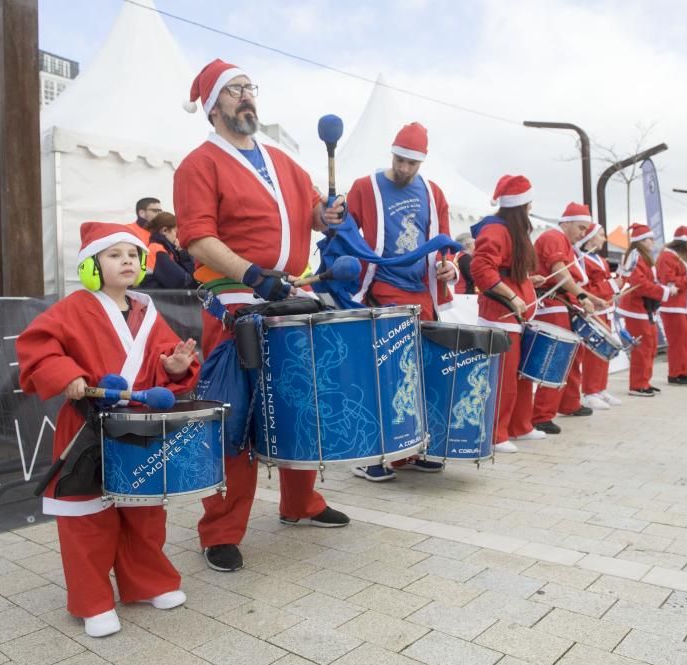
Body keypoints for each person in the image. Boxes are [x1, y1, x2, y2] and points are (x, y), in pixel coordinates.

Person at [174, 58, 349, 574]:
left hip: (288, 296)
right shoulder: (198, 164)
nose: (246, 96)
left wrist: (326, 216)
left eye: (249, 87)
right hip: (234, 302)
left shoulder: (283, 161)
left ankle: (301, 503)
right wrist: (252, 275)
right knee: (237, 417)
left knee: (300, 404)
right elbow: (199, 239)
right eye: (233, 90)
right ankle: (221, 530)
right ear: (213, 106)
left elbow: (313, 213)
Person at [16, 222, 200, 638]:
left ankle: (148, 583)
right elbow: (36, 346)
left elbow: (165, 361)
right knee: (87, 520)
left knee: (146, 515)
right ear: (91, 265)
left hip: (137, 427)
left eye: (133, 255)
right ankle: (93, 601)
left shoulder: (147, 311)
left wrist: (174, 367)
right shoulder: (73, 307)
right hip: (87, 426)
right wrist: (68, 375)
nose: (127, 262)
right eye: (114, 254)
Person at [345, 122, 455, 480]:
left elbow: (444, 242)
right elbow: (344, 231)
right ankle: (372, 453)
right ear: (392, 153)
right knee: (385, 372)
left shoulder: (433, 192)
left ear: (422, 162)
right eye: (400, 159)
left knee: (417, 372)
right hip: (382, 287)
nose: (405, 168)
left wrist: (448, 267)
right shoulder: (366, 186)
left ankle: (411, 448)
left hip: (421, 291)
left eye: (413, 163)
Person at [469, 175, 543, 453]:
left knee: (519, 377)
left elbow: (504, 269)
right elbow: (481, 268)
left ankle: (519, 425)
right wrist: (512, 295)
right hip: (500, 315)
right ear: (521, 205)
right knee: (503, 379)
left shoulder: (511, 231)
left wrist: (524, 282)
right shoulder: (497, 229)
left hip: (516, 316)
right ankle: (496, 433)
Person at [529, 203, 606, 435]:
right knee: (557, 358)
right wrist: (583, 296)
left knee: (571, 357)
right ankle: (541, 415)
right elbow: (561, 273)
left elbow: (567, 279)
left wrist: (593, 298)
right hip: (551, 304)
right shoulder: (554, 236)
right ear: (567, 222)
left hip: (561, 303)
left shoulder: (563, 241)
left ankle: (568, 402)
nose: (583, 233)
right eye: (581, 228)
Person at [616, 223, 677, 396]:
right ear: (641, 241)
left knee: (650, 346)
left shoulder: (641, 257)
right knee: (642, 348)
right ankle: (638, 384)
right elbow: (640, 284)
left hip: (644, 308)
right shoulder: (635, 257)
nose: (652, 242)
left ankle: (644, 381)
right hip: (636, 308)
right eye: (649, 239)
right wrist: (664, 291)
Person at [576, 224, 622, 409]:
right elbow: (584, 289)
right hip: (592, 310)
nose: (604, 238)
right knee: (593, 353)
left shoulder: (600, 260)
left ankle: (600, 388)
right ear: (590, 237)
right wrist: (611, 285)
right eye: (601, 235)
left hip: (605, 308)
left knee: (604, 352)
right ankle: (590, 391)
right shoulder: (581, 259)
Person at [657, 226, 687, 386]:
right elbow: (668, 280)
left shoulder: (677, 257)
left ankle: (684, 371)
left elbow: (678, 279)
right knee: (679, 340)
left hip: (685, 304)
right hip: (673, 305)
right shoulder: (667, 257)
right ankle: (675, 373)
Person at [140, 212, 198, 289]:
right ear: (165, 231)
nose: (178, 237)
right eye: (176, 233)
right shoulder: (157, 250)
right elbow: (184, 281)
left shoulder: (163, 249)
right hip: (159, 299)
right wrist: (184, 254)